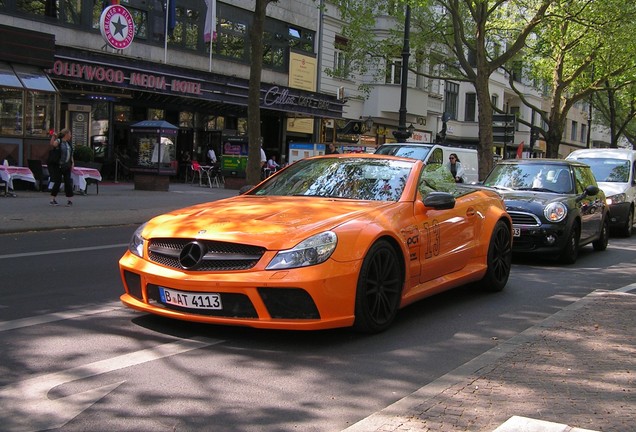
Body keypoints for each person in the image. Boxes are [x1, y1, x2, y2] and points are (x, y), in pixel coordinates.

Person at [49, 128, 74, 206]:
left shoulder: (68, 143)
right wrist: (53, 136)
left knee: (68, 182)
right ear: (66, 134)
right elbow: (52, 144)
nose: (71, 135)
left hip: (67, 165)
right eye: (69, 134)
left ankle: (69, 200)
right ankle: (52, 199)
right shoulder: (59, 141)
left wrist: (72, 163)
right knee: (58, 182)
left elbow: (71, 154)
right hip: (59, 165)